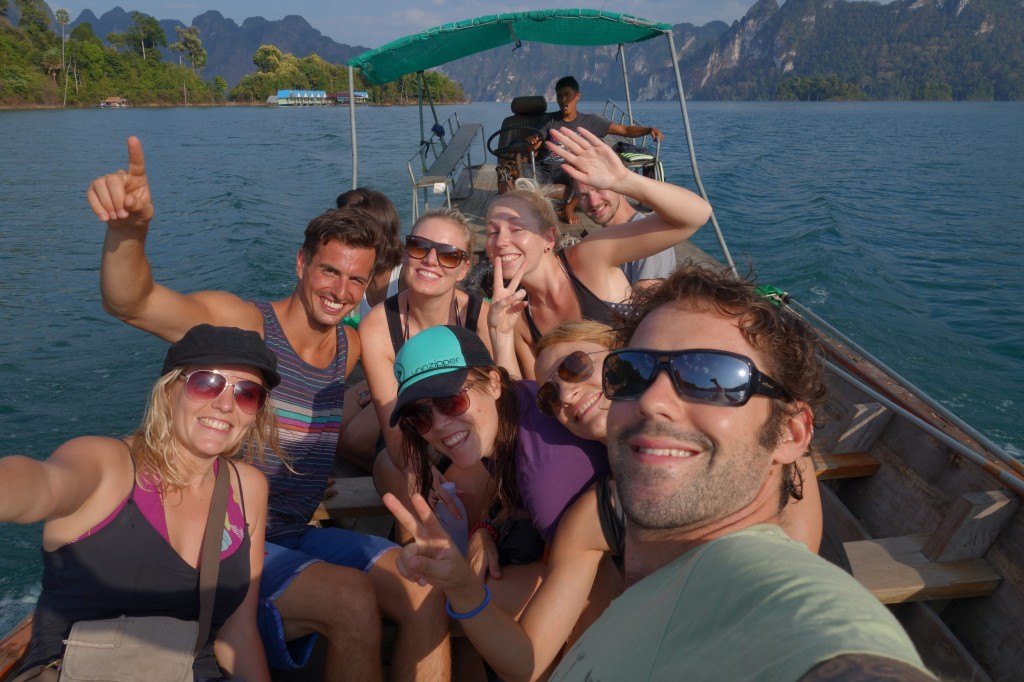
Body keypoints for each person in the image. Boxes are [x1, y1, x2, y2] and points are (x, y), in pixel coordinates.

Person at [86, 137, 448, 680]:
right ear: (301, 263)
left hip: (296, 529)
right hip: (222, 544)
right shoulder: (245, 326)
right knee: (350, 599)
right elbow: (131, 302)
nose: (340, 290)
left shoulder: (349, 348)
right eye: (329, 271)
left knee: (428, 585)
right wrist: (128, 232)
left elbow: (382, 414)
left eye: (355, 279)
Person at [545, 265, 935, 681]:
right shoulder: (639, 584)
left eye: (712, 378)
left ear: (791, 432)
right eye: (633, 372)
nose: (653, 400)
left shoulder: (784, 600)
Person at [383, 318, 824, 681]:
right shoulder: (583, 505)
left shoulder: (550, 479)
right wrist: (486, 530)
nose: (568, 396)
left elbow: (601, 603)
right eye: (421, 415)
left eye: (452, 400)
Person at [2, 325, 279, 681]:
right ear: (169, 391)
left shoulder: (248, 488)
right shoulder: (106, 465)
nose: (225, 404)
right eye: (206, 383)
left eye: (247, 393)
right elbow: (40, 485)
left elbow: (238, 633)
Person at [485, 126, 711, 378]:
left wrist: (624, 181)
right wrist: (501, 337)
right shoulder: (517, 316)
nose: (501, 241)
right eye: (492, 232)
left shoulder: (589, 256)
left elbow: (695, 216)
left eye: (516, 229)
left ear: (549, 238)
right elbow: (532, 399)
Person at [359, 209, 491, 504]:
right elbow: (393, 428)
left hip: (468, 430)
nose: (430, 260)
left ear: (464, 269)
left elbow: (498, 408)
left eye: (448, 255)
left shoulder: (482, 319)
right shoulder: (379, 326)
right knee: (403, 480)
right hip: (412, 433)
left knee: (470, 477)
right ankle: (417, 547)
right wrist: (418, 467)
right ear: (405, 253)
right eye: (419, 246)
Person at [529, 75, 664, 223]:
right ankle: (543, 198)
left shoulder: (589, 121)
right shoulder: (547, 120)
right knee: (521, 181)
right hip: (544, 168)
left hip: (570, 170)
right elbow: (536, 139)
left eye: (568, 95)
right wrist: (534, 143)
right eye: (560, 96)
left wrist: (648, 129)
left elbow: (623, 130)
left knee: (589, 170)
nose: (564, 100)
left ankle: (569, 207)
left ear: (577, 96)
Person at [574, 176, 676, 290]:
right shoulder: (606, 238)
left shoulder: (649, 238)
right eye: (583, 196)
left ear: (619, 188)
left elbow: (646, 304)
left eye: (599, 188)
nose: (593, 202)